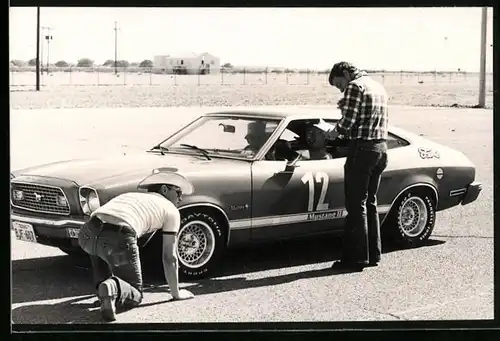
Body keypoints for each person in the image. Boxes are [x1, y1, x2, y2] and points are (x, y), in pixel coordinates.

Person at [77, 179, 194, 322]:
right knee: (135, 294)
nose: (180, 198)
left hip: (87, 233)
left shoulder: (131, 196)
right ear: (164, 189)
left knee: (101, 253)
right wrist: (176, 294)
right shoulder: (171, 210)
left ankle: (105, 295)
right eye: (178, 192)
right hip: (117, 235)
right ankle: (111, 288)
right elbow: (169, 258)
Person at [326, 61, 389, 272]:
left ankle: (355, 258)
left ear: (345, 73)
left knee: (355, 205)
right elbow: (366, 116)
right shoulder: (377, 85)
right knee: (370, 202)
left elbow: (348, 123)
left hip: (361, 150)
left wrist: (332, 132)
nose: (342, 89)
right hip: (380, 149)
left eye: (339, 84)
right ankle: (373, 254)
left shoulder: (355, 86)